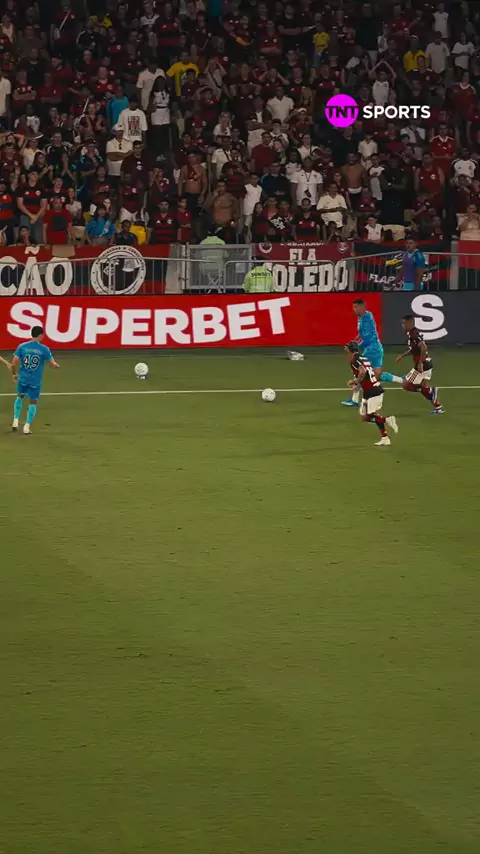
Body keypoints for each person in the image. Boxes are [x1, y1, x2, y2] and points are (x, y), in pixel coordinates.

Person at [341, 298, 403, 407]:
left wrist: (355, 347)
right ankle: (402, 380)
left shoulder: (366, 320)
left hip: (372, 350)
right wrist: (358, 337)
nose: (354, 309)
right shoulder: (362, 317)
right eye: (353, 307)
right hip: (375, 349)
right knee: (376, 375)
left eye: (356, 307)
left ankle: (355, 400)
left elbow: (368, 338)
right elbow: (364, 333)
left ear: (362, 307)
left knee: (359, 370)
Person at [344, 342, 399, 447]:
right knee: (365, 417)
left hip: (373, 391)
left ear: (350, 350)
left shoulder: (354, 360)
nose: (345, 349)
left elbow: (363, 371)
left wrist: (355, 382)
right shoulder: (363, 358)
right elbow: (367, 372)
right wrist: (358, 383)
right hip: (370, 390)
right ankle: (385, 438)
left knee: (370, 415)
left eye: (347, 348)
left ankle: (388, 420)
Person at [10, 325, 60, 435]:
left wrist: (14, 374)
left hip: (23, 378)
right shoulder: (44, 349)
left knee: (20, 396)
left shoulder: (22, 346)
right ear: (40, 335)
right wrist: (56, 366)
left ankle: (15, 421)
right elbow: (52, 364)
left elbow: (13, 363)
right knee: (33, 401)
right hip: (35, 381)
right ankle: (26, 426)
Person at [396, 315, 444, 414]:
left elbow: (423, 348)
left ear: (409, 323)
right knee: (422, 387)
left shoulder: (414, 335)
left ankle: (431, 391)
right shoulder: (412, 334)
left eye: (404, 323)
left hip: (423, 365)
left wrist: (420, 363)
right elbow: (414, 349)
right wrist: (403, 355)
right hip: (427, 364)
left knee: (406, 385)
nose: (402, 325)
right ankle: (438, 407)